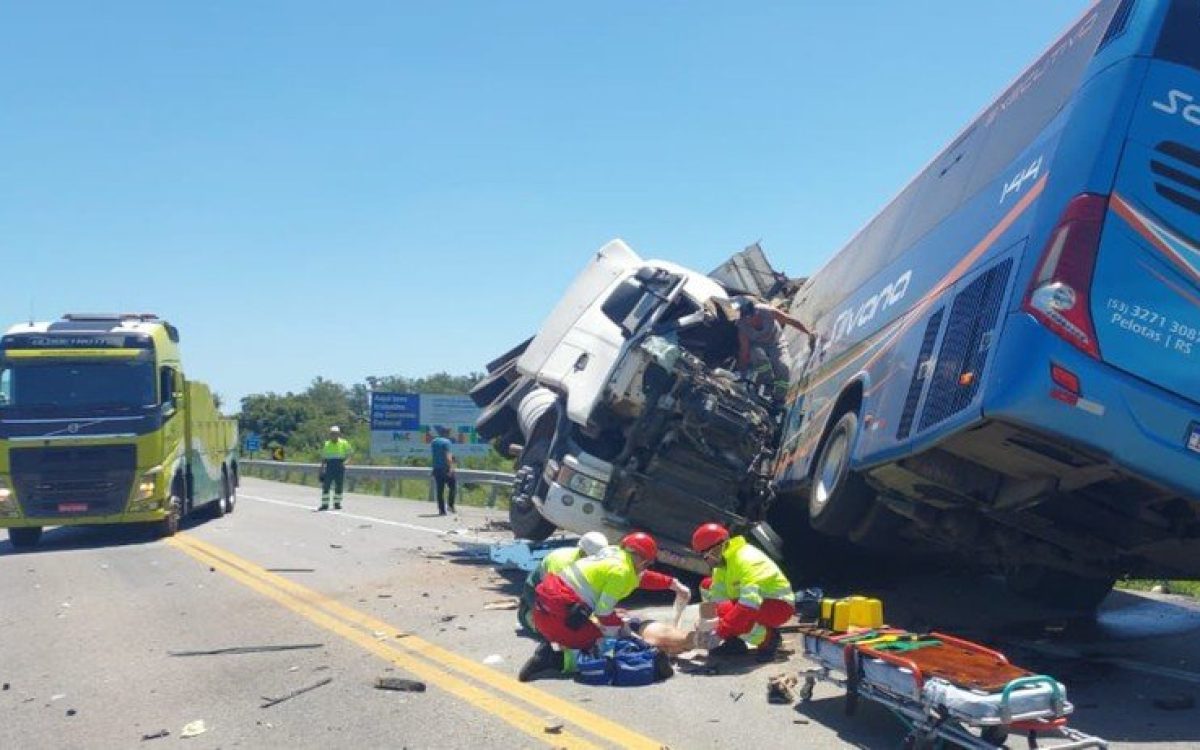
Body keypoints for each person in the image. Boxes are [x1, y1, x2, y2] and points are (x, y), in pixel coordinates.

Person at [518, 532, 687, 682]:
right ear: (641, 559)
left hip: (543, 606)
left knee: (603, 633)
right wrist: (621, 629)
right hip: (561, 612)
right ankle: (552, 659)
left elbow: (640, 578)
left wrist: (673, 584)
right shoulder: (621, 571)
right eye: (647, 563)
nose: (646, 567)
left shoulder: (613, 553)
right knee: (599, 647)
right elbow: (603, 613)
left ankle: (560, 644)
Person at [691, 522, 795, 661]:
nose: (706, 561)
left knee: (730, 612)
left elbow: (749, 604)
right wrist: (707, 625)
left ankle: (769, 639)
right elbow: (716, 597)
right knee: (707, 586)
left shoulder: (747, 559)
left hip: (777, 606)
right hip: (755, 604)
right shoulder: (722, 565)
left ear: (717, 549)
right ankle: (734, 643)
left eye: (705, 556)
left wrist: (720, 632)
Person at [518, 531, 609, 634]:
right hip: (536, 590)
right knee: (556, 630)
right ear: (583, 551)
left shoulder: (593, 563)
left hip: (562, 591)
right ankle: (527, 616)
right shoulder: (561, 562)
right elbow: (553, 595)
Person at [733, 295, 814, 400]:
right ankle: (767, 381)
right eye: (748, 319)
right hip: (758, 346)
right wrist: (742, 373)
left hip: (777, 343)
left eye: (753, 316)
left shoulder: (768, 311)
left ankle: (779, 398)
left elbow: (790, 321)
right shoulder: (742, 327)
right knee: (756, 354)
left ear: (756, 312)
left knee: (783, 367)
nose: (753, 321)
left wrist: (809, 333)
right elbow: (744, 351)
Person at [318, 426, 353, 511]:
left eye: (335, 434)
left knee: (339, 486)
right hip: (329, 466)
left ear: (339, 434)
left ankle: (337, 504)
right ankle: (324, 504)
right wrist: (321, 469)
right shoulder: (327, 444)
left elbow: (350, 454)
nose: (334, 435)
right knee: (326, 486)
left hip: (340, 466)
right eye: (332, 434)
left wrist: (346, 462)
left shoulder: (344, 443)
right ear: (330, 435)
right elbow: (323, 458)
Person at [430, 427, 457, 515]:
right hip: (445, 468)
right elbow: (448, 456)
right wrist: (451, 468)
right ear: (446, 434)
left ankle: (441, 510)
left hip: (436, 469)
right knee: (452, 487)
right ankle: (450, 505)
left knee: (440, 490)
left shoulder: (434, 442)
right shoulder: (447, 442)